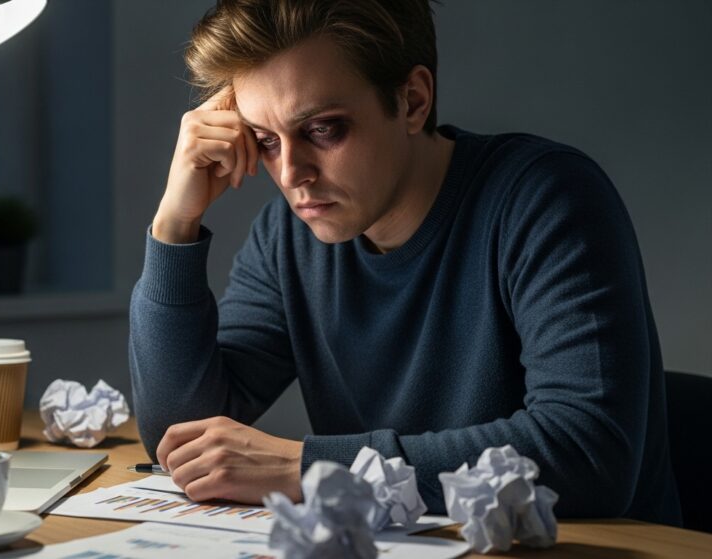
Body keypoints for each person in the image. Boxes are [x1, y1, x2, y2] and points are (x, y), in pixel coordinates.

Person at [128, 0, 680, 524]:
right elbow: (181, 438)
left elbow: (589, 454)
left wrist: (305, 467)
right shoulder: (286, 239)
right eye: (266, 140)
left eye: (322, 129)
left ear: (413, 100)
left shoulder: (546, 198)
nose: (292, 174)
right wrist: (174, 225)